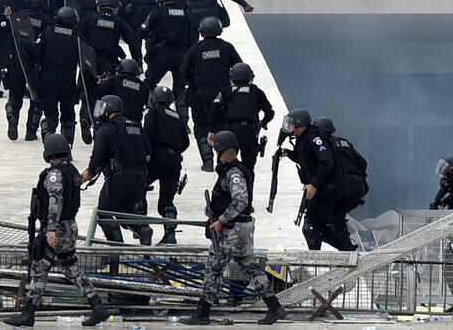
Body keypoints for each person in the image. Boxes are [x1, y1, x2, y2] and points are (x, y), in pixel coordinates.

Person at [3, 134, 110, 328]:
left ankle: (28, 313)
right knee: (71, 267)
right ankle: (98, 306)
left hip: (57, 228)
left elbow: (55, 201)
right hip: (70, 226)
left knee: (39, 268)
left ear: (48, 153)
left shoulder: (54, 174)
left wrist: (51, 229)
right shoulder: (72, 171)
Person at [181, 130, 286, 326]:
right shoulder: (233, 170)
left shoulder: (233, 172)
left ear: (221, 150)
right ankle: (274, 307)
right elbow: (231, 198)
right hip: (241, 228)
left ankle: (202, 313)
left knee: (214, 269)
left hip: (231, 230)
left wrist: (220, 221)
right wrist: (214, 207)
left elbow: (240, 200)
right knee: (251, 269)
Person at [82, 95, 154, 245]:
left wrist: (87, 175)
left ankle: (117, 248)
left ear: (108, 110)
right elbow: (148, 155)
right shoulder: (136, 125)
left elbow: (97, 157)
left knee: (104, 213)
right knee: (125, 212)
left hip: (118, 178)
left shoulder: (107, 129)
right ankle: (142, 229)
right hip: (140, 178)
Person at [280, 109, 353, 251]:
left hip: (326, 190)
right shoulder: (304, 138)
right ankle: (346, 249)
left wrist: (314, 185)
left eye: (291, 124)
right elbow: (307, 159)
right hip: (321, 190)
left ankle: (343, 251)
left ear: (299, 124)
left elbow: (327, 163)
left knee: (311, 227)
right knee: (319, 226)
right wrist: (289, 154)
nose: (289, 127)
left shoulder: (314, 138)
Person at [179, 17, 243, 171]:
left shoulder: (195, 48)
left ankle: (208, 161)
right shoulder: (227, 47)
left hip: (200, 95)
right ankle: (224, 160)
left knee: (201, 127)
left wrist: (193, 81)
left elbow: (183, 71)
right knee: (223, 127)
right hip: (223, 95)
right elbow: (239, 67)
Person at [78, 0, 141, 138]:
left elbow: (79, 38)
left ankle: (85, 117)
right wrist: (137, 61)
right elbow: (133, 42)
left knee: (86, 93)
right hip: (108, 65)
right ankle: (97, 126)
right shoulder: (119, 22)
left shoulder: (89, 19)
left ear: (99, 6)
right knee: (102, 96)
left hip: (89, 63)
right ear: (115, 7)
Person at [314, 117, 369, 248]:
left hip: (340, 188)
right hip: (357, 188)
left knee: (326, 220)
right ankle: (347, 248)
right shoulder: (344, 142)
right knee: (337, 218)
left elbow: (325, 166)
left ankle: (345, 250)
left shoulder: (323, 144)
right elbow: (363, 163)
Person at [144, 86, 189, 244]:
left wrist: (147, 152)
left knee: (137, 189)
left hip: (155, 159)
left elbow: (147, 133)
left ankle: (141, 227)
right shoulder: (177, 116)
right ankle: (170, 234)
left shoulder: (153, 113)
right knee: (166, 201)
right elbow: (186, 142)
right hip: (174, 162)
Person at [6, 0, 52, 142]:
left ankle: (12, 115)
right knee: (36, 97)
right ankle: (31, 131)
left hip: (17, 61)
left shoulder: (17, 17)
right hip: (36, 65)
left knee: (15, 94)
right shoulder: (47, 21)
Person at [209, 63, 273, 170]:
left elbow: (213, 110)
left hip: (229, 132)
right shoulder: (257, 92)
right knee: (248, 167)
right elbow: (270, 113)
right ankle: (248, 185)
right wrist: (262, 122)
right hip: (249, 132)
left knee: (224, 165)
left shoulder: (226, 92)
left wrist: (212, 130)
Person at [34, 6, 82, 144]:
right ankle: (66, 146)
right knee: (68, 115)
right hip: (68, 80)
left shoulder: (47, 32)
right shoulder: (76, 37)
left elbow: (35, 53)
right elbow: (84, 61)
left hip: (48, 79)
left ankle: (47, 134)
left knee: (50, 114)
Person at [140, 0, 196, 93]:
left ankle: (148, 107)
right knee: (180, 87)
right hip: (182, 54)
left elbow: (142, 31)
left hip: (162, 54)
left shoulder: (156, 13)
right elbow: (193, 36)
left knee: (149, 84)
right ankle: (181, 109)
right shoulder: (187, 13)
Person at [94, 58, 150, 124]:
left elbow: (98, 92)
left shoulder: (115, 80)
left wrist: (98, 82)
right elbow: (149, 104)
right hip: (135, 124)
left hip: (115, 121)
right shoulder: (144, 86)